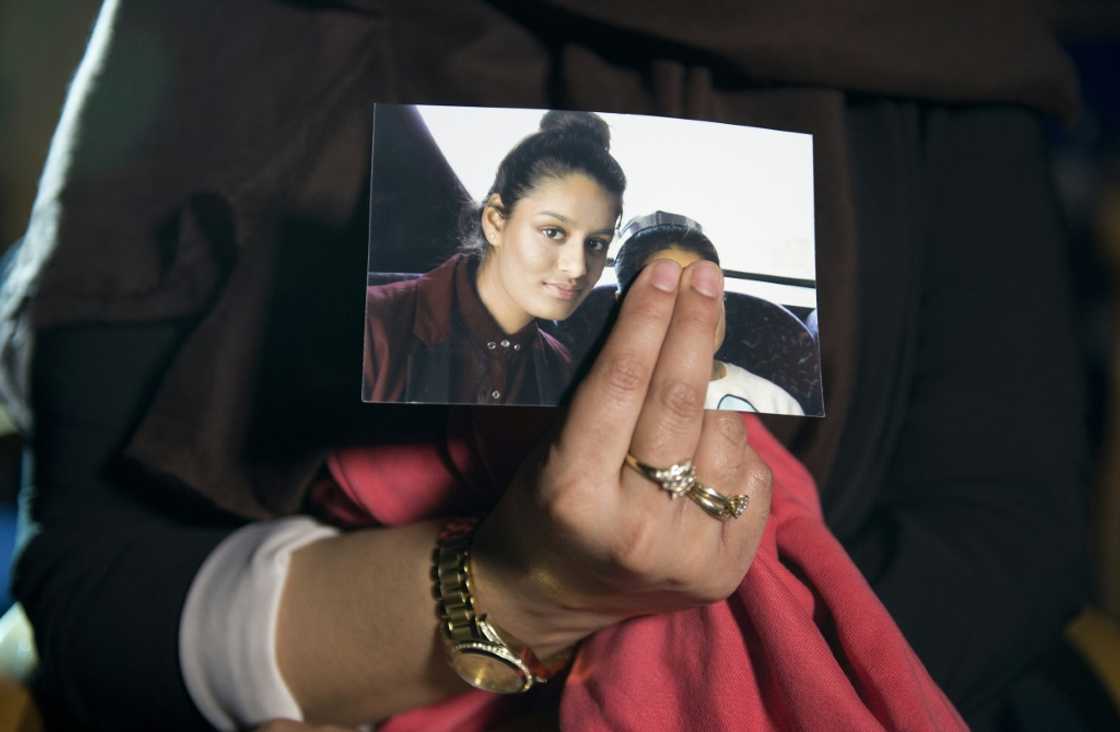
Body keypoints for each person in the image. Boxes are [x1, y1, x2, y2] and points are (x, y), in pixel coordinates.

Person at [0, 2, 1094, 730]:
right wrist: (524, 590)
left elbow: (1010, 537)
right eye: (549, 237)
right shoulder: (236, 33)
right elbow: (94, 602)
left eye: (593, 246)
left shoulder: (938, 33)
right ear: (489, 217)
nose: (570, 271)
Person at [362, 110, 625, 406]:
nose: (577, 267)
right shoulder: (374, 327)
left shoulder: (559, 370)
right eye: (553, 232)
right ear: (495, 221)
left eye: (596, 243)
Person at [614, 211, 807, 415]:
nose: (692, 314)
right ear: (623, 306)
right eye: (667, 293)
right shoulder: (604, 400)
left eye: (705, 291)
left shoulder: (776, 404)